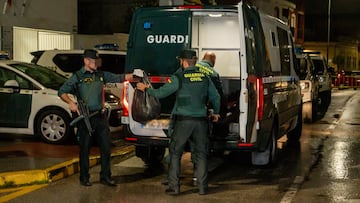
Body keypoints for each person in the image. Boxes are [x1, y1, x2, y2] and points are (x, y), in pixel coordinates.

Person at [137, 49, 220, 195]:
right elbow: (216, 97)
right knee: (201, 154)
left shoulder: (179, 77)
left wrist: (146, 89)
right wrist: (217, 112)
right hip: (201, 122)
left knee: (175, 153)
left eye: (181, 60)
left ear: (184, 61)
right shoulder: (205, 77)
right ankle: (202, 188)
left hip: (183, 122)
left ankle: (174, 188)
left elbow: (161, 93)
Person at [58, 49, 138, 187]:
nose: (96, 63)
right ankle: (84, 177)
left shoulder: (100, 75)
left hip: (100, 117)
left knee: (106, 148)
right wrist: (71, 103)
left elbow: (119, 77)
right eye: (94, 61)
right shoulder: (78, 76)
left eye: (97, 61)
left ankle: (106, 176)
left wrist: (135, 76)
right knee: (85, 149)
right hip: (85, 118)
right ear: (86, 61)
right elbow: (62, 91)